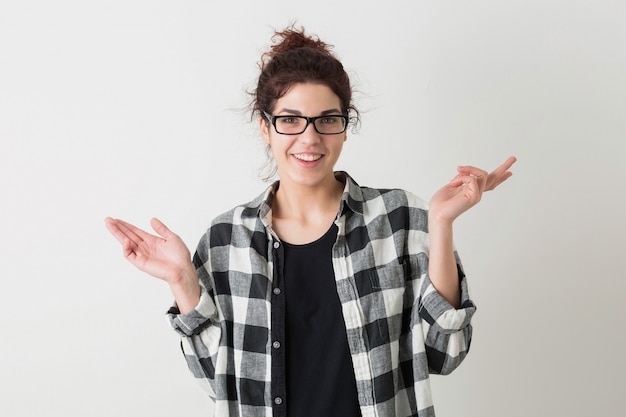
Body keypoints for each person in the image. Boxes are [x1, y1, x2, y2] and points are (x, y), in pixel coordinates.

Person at [105, 26, 516, 417]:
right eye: (290, 119)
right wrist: (183, 283)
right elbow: (219, 380)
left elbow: (445, 353)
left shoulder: (400, 219)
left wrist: (441, 223)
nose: (309, 138)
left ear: (345, 128)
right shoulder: (225, 240)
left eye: (327, 119)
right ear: (265, 128)